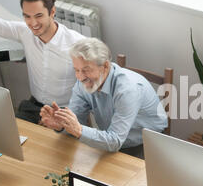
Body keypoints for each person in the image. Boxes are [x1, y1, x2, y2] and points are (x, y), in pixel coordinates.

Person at [39, 38, 167, 158]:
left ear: (105, 66)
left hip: (146, 144)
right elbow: (77, 121)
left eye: (86, 70)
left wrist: (78, 130)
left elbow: (114, 141)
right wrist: (62, 125)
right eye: (76, 70)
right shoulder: (83, 82)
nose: (80, 77)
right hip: (111, 140)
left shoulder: (128, 90)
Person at [0, 0, 85, 124]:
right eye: (27, 16)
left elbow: (94, 86)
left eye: (39, 16)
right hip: (34, 106)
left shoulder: (77, 44)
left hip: (66, 112)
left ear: (52, 12)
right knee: (12, 140)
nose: (33, 23)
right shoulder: (24, 32)